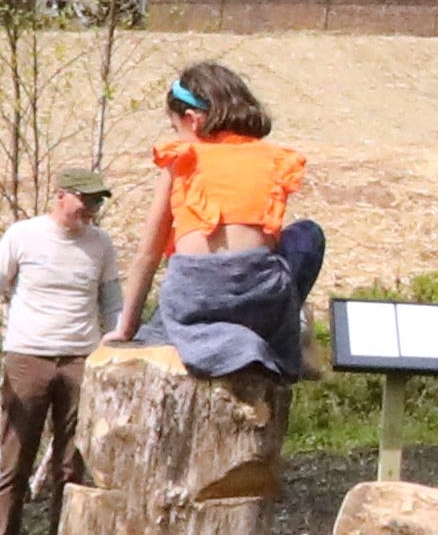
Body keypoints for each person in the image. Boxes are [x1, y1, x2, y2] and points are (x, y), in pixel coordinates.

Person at [0, 166, 115, 535]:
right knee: (15, 463)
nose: (92, 210)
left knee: (71, 467)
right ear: (61, 196)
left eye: (97, 202)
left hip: (81, 358)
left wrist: (119, 338)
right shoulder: (22, 235)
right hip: (27, 357)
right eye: (86, 200)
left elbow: (111, 299)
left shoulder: (101, 244)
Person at [121, 59, 320, 374]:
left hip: (192, 303)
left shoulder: (181, 159)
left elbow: (148, 255)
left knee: (188, 277)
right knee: (309, 234)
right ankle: (287, 339)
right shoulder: (275, 159)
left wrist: (125, 329)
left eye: (176, 129)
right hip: (259, 304)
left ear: (193, 120)